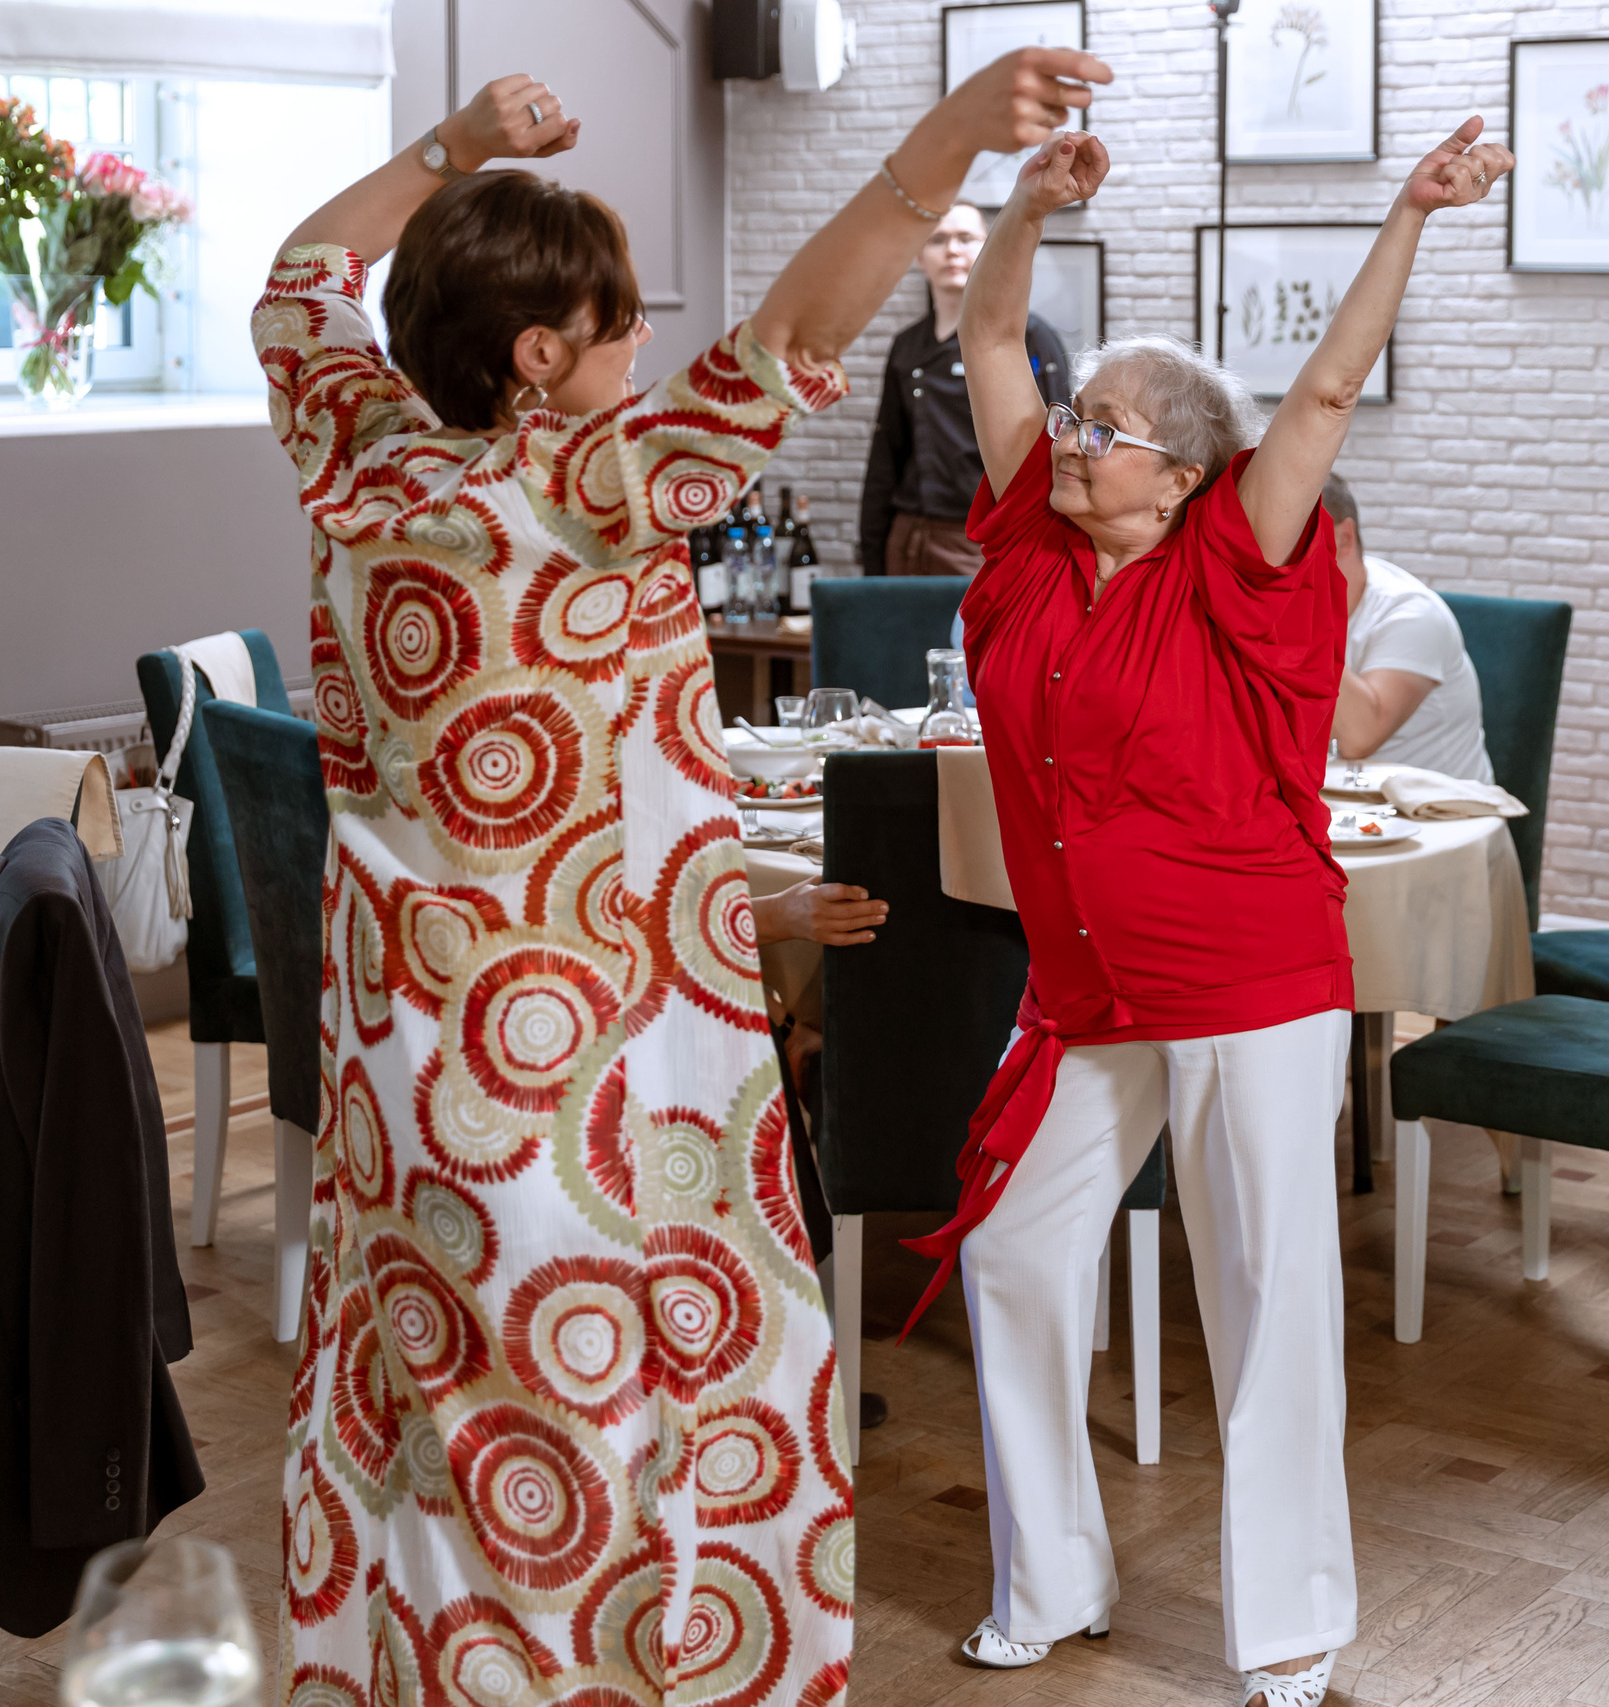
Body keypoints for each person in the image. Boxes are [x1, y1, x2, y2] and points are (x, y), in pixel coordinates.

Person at [255, 52, 1110, 1705]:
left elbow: (302, 275)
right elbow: (790, 340)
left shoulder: (356, 458)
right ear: (537, 358)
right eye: (621, 320)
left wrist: (449, 147)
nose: (645, 340)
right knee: (581, 1438)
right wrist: (945, 139)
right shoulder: (572, 493)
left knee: (436, 1421)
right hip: (564, 1081)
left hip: (402, 1067)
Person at [911, 121, 1513, 1707]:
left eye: (1103, 426)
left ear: (1183, 476)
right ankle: (1050, 1576)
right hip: (1085, 988)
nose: (1073, 437)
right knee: (1017, 1252)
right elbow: (992, 330)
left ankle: (1293, 1623)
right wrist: (1025, 203)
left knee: (1265, 1292)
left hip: (1249, 977)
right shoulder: (1033, 547)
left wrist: (1410, 213)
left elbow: (1323, 393)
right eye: (1078, 414)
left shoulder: (1238, 557)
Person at [859, 202, 1073, 576]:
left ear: (988, 248)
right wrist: (871, 555)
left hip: (991, 540)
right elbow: (885, 457)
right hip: (911, 540)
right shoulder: (907, 347)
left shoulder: (1033, 339)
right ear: (920, 258)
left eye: (965, 238)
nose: (952, 250)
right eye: (937, 239)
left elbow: (1060, 447)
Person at [1324, 473, 1496, 783]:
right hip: (1343, 801)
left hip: (1439, 807)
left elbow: (1359, 738)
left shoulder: (1413, 615)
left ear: (1344, 538)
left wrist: (1290, 619)